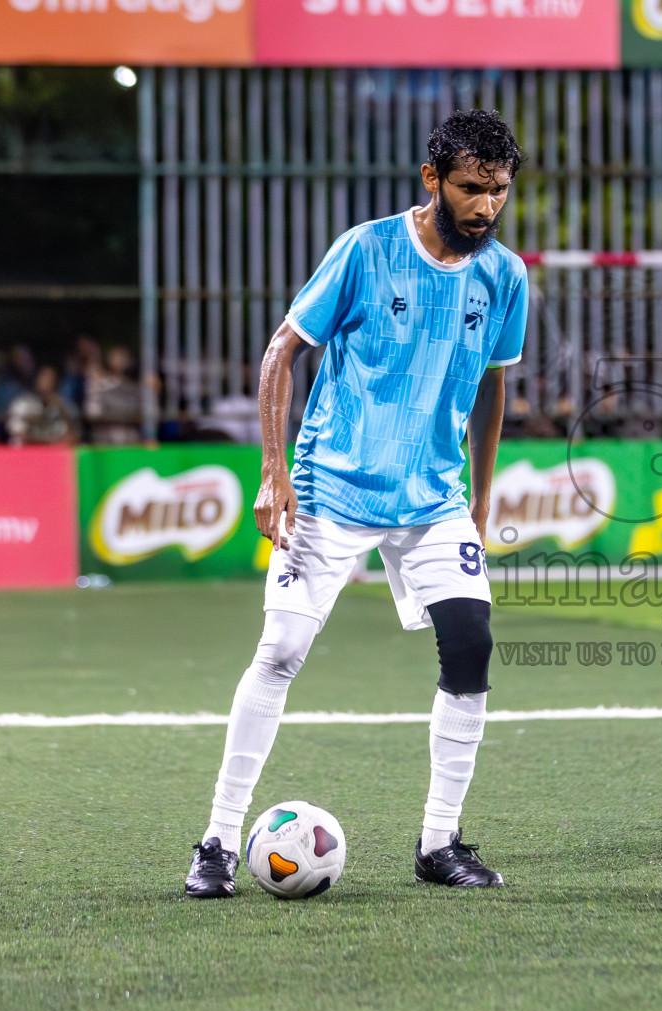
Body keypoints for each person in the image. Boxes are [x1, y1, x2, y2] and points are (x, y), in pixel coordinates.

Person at [184, 110, 527, 898]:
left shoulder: (505, 275)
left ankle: (439, 843)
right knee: (279, 655)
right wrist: (275, 474)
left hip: (435, 495)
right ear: (431, 179)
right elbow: (282, 351)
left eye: (500, 191)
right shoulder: (366, 250)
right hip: (332, 488)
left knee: (471, 646)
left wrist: (478, 498)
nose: (486, 206)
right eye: (472, 189)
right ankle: (218, 841)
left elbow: (492, 386)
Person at [6, 365, 79, 446]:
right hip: (28, 451)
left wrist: (60, 409)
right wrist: (46, 443)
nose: (47, 381)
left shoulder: (66, 406)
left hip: (54, 452)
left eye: (51, 378)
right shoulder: (22, 403)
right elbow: (17, 433)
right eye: (44, 376)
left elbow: (73, 436)